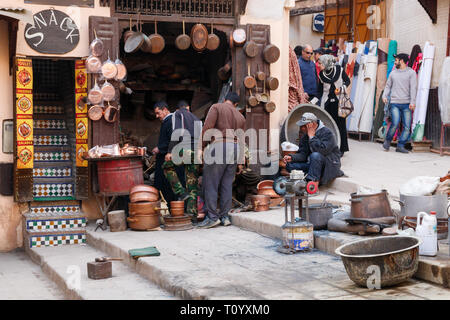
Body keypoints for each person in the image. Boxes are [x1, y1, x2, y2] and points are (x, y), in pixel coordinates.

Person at [196, 92, 246, 229]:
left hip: (219, 146)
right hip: (235, 149)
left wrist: (201, 147)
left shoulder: (217, 107)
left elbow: (207, 129)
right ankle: (224, 217)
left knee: (210, 183)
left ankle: (212, 217)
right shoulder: (241, 116)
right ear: (236, 104)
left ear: (225, 100)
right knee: (226, 185)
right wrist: (241, 161)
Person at [163, 100, 203, 220]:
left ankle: (180, 192)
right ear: (188, 107)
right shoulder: (197, 119)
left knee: (166, 166)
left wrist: (170, 151)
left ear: (178, 108)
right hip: (195, 152)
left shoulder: (177, 114)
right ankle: (192, 215)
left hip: (183, 149)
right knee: (192, 184)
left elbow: (177, 132)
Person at [283, 112, 343, 186]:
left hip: (328, 165)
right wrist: (292, 157)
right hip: (313, 164)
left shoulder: (327, 133)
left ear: (313, 124)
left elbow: (322, 151)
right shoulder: (305, 135)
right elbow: (303, 154)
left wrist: (312, 137)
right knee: (290, 166)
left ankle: (312, 182)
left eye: (304, 126)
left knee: (315, 155)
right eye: (301, 126)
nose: (301, 128)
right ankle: (310, 175)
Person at [382, 53, 417, 154]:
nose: (395, 62)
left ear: (402, 61)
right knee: (395, 123)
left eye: (396, 60)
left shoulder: (411, 73)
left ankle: (400, 146)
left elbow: (413, 88)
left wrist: (413, 102)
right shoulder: (393, 73)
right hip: (395, 103)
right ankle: (387, 141)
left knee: (406, 127)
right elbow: (388, 86)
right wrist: (385, 96)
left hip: (407, 104)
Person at [317, 54, 351, 155]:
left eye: (320, 63)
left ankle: (342, 149)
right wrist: (313, 101)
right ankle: (331, 147)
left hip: (339, 102)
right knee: (329, 126)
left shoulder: (339, 69)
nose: (319, 65)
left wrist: (341, 89)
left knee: (340, 126)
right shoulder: (321, 75)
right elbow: (320, 91)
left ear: (326, 63)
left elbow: (347, 81)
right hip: (327, 104)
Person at [152, 101, 178, 206]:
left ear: (165, 110)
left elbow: (173, 139)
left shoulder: (171, 121)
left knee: (166, 184)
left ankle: (167, 207)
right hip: (165, 156)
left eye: (158, 113)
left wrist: (160, 148)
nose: (157, 116)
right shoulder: (167, 121)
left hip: (167, 157)